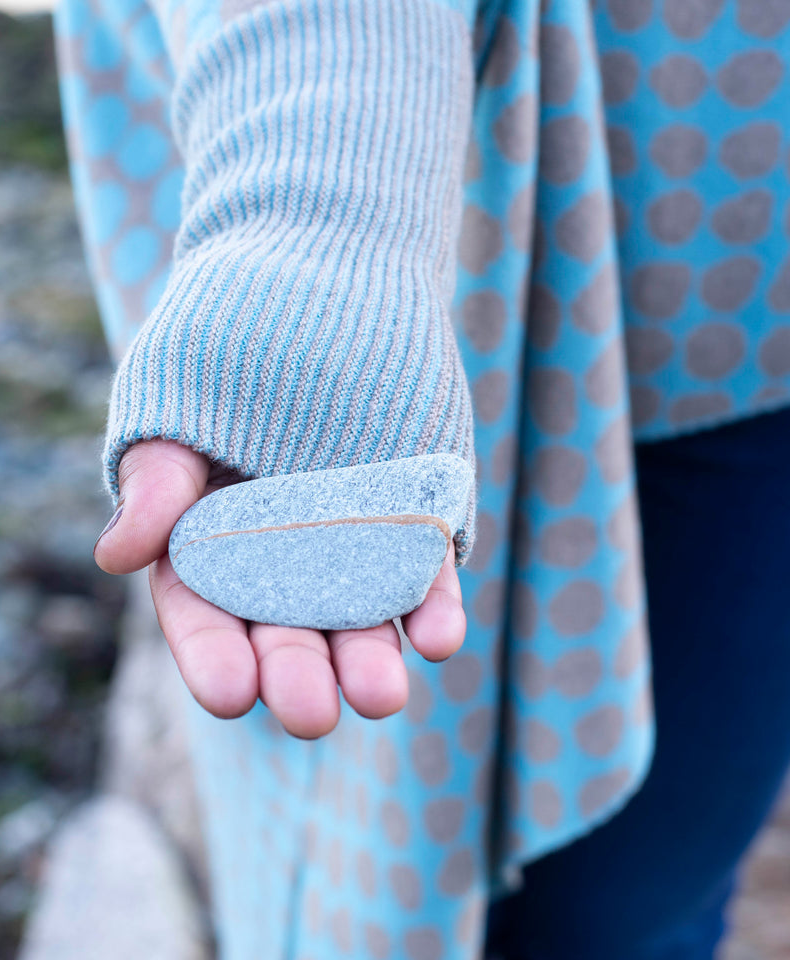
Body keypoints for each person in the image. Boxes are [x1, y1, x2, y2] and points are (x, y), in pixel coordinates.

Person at [53, 0, 790, 956]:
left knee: (635, 907)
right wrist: (320, 208)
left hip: (753, 294)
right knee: (363, 869)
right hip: (436, 228)